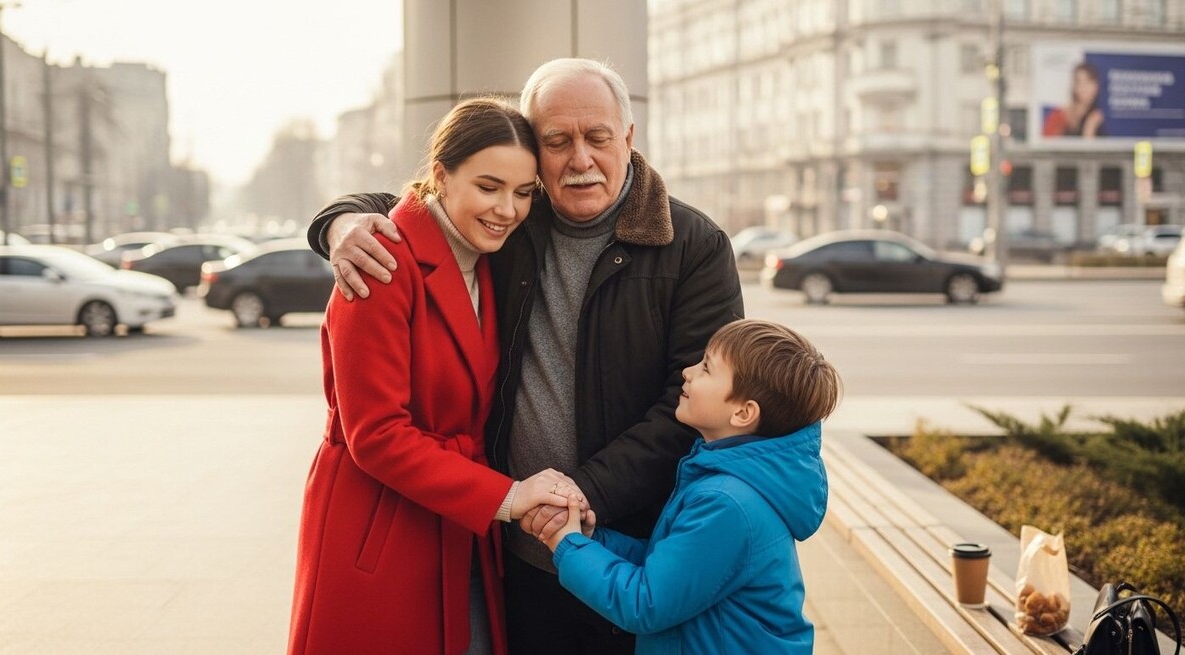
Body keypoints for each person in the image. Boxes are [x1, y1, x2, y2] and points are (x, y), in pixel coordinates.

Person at [306, 58, 744, 654]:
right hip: (513, 549)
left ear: (629, 139)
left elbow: (692, 405)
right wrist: (339, 222)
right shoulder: (514, 221)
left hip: (630, 546)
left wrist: (578, 498)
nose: (580, 159)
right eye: (557, 142)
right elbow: (435, 200)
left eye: (598, 138)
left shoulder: (693, 246)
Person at [288, 97, 587, 655]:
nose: (508, 209)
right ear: (441, 175)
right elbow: (375, 436)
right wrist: (510, 495)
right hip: (379, 525)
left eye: (524, 193)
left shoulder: (492, 257)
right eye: (489, 186)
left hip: (458, 521)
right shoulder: (379, 260)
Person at [544, 319, 843, 654]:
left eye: (706, 368)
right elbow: (672, 568)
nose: (687, 371)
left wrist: (567, 544)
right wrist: (592, 539)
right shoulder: (727, 480)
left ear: (743, 413)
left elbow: (646, 604)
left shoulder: (727, 502)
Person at [1042, 62, 1106, 138]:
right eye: (1079, 82)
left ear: (1096, 86)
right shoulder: (1059, 115)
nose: (1084, 87)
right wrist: (1089, 128)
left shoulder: (1097, 117)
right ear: (1074, 87)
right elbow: (1046, 145)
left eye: (1088, 81)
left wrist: (1090, 126)